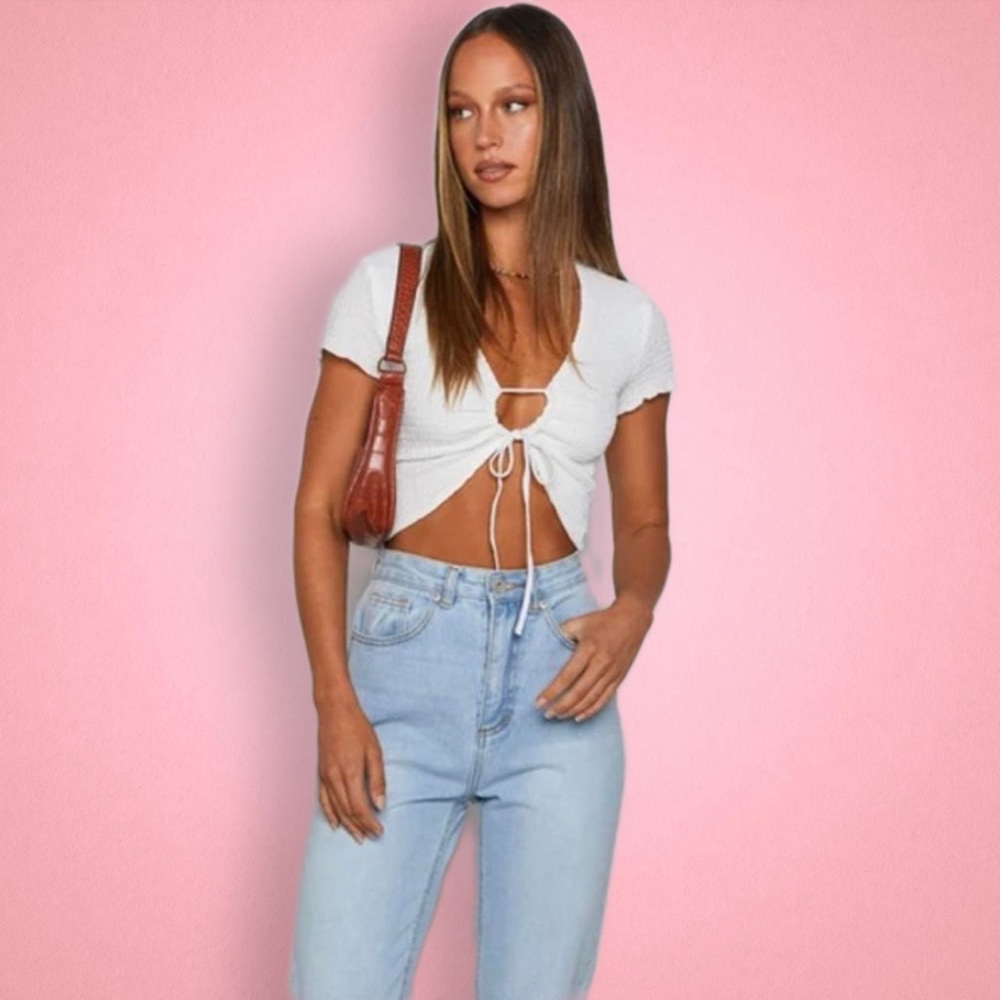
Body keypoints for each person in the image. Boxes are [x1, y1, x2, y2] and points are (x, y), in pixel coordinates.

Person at [288, 4, 676, 999]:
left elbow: (643, 523)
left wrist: (631, 611)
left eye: (513, 105)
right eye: (461, 112)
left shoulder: (628, 322)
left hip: (560, 682)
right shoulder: (388, 287)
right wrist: (337, 698)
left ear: (564, 122)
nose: (485, 136)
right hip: (401, 665)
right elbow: (315, 508)